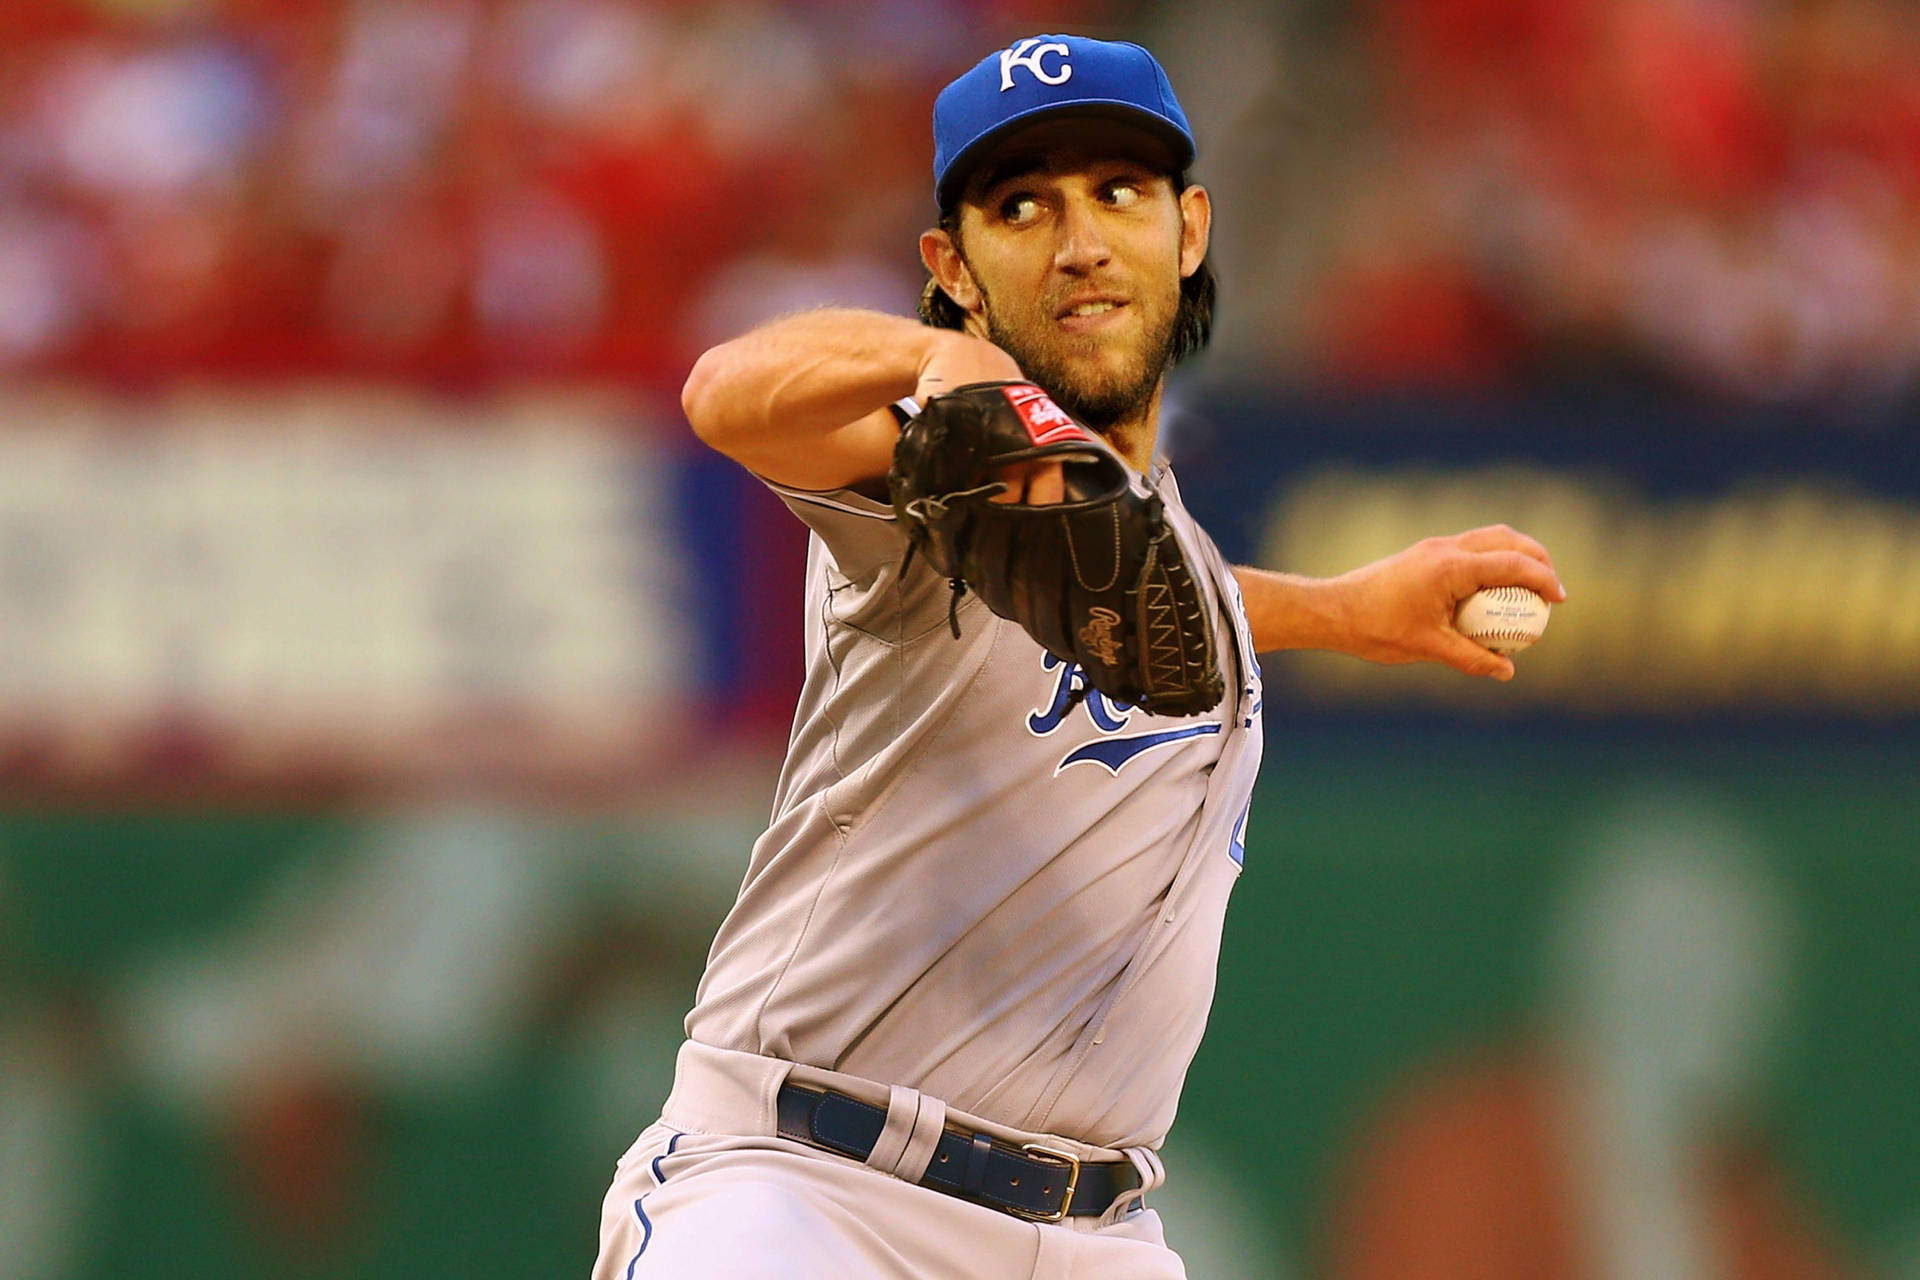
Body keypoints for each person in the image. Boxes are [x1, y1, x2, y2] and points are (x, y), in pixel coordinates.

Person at [594, 33, 1565, 1280]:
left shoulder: (1157, 567)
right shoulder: (935, 477)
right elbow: (727, 392)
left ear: (1192, 228)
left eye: (1119, 192)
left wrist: (1346, 608)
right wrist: (936, 361)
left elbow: (1146, 606)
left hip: (1095, 1237)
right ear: (952, 265)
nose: (1080, 240)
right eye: (1022, 206)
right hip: (807, 1192)